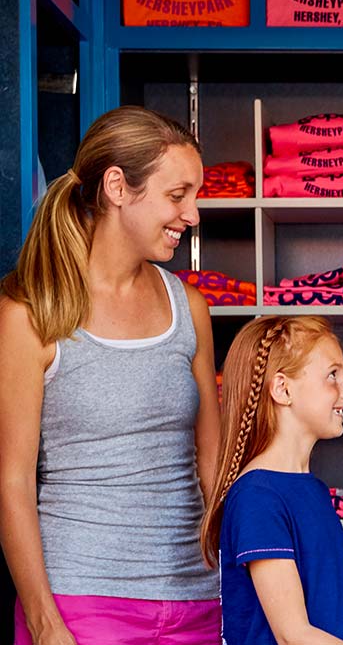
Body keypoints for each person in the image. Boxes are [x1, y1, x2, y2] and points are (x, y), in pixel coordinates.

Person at [0, 106, 220, 644]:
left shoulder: (188, 307)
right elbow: (12, 482)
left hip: (196, 598)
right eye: (177, 195)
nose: (192, 214)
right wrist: (45, 622)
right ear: (118, 187)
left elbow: (213, 465)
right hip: (82, 602)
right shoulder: (32, 314)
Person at [199, 316, 343, 645]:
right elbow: (293, 636)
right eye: (333, 375)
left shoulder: (311, 489)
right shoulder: (258, 498)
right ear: (283, 389)